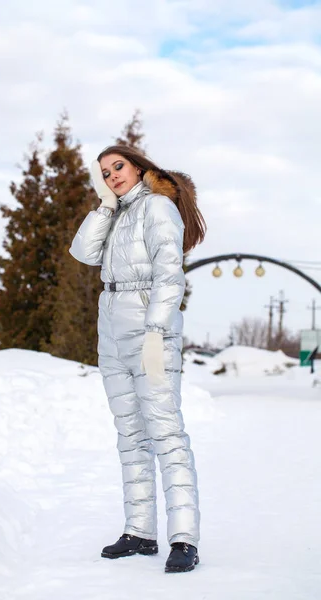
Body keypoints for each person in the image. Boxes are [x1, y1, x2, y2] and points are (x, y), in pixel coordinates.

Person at [69, 145, 206, 573]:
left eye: (118, 167)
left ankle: (183, 538)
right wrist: (105, 207)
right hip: (110, 333)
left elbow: (170, 274)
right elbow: (82, 253)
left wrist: (155, 331)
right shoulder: (116, 213)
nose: (112, 177)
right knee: (130, 436)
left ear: (138, 164)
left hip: (150, 333)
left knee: (165, 432)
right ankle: (139, 531)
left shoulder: (157, 207)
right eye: (105, 174)